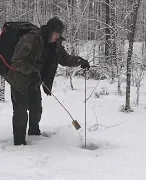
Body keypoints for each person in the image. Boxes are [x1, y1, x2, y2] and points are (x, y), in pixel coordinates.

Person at [6, 17, 90, 146]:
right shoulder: (30, 39)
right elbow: (16, 61)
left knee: (36, 109)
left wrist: (79, 61)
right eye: (57, 34)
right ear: (50, 31)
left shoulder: (55, 44)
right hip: (20, 80)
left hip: (34, 80)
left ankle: (34, 135)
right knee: (21, 111)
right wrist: (31, 71)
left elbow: (64, 58)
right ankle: (19, 143)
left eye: (59, 34)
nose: (58, 37)